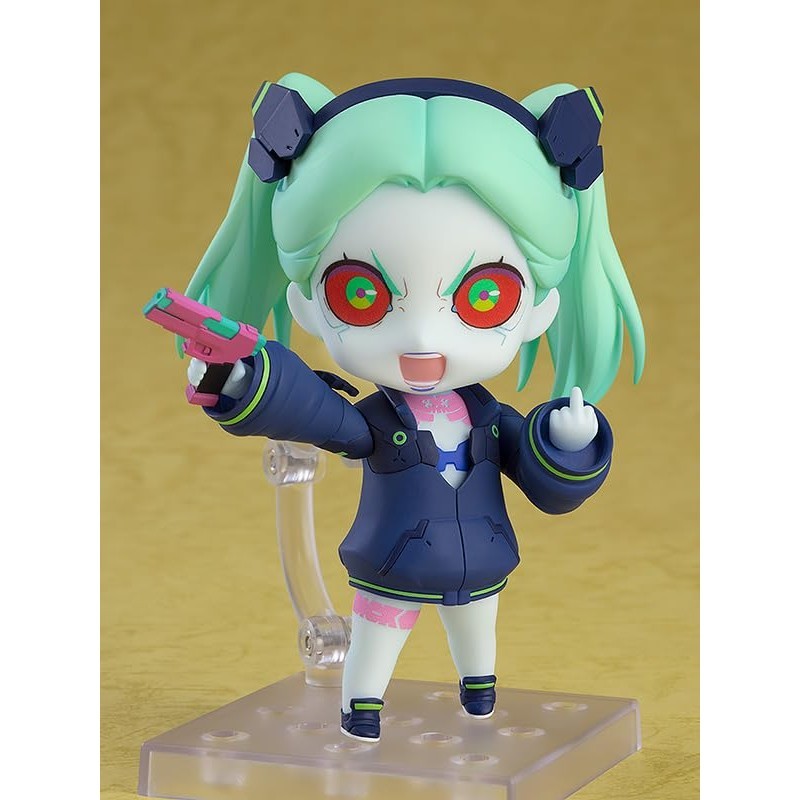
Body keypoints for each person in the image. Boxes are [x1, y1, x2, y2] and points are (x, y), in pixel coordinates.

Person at [179, 73, 645, 742]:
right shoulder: (378, 423)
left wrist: (570, 443)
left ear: (541, 310)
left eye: (484, 297)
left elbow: (546, 485)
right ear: (306, 303)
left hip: (481, 561)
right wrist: (243, 382)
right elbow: (316, 411)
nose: (424, 337)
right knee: (378, 639)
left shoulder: (491, 422)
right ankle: (361, 708)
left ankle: (479, 696)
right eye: (360, 294)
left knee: (476, 635)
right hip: (392, 565)